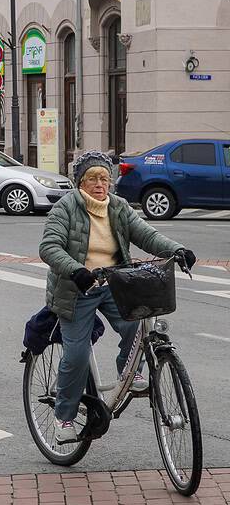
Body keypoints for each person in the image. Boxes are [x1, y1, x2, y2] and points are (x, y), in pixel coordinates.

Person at [39, 151, 196, 444]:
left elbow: (147, 235)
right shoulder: (65, 208)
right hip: (77, 288)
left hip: (113, 282)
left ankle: (130, 373)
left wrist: (177, 250)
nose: (99, 184)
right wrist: (76, 271)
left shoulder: (119, 207)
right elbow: (49, 247)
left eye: (104, 178)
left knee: (134, 325)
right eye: (92, 178)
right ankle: (65, 417)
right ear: (80, 182)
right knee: (76, 355)